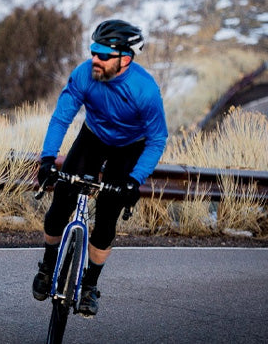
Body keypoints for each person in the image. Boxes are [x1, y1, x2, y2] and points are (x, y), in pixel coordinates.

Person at [32, 19, 168, 316]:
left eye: (103, 55)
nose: (95, 58)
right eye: (93, 51)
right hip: (92, 138)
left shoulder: (144, 90)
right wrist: (47, 158)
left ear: (125, 59)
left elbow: (157, 139)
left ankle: (90, 286)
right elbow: (61, 118)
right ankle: (47, 265)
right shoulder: (84, 75)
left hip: (129, 148)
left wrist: (135, 180)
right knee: (60, 202)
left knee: (108, 216)